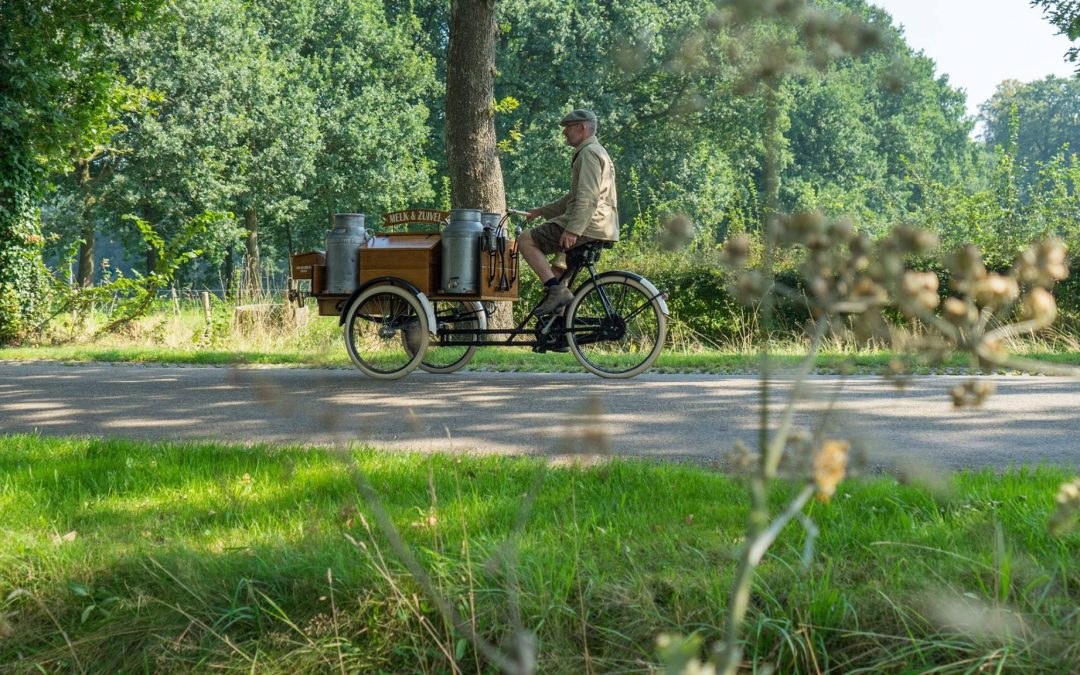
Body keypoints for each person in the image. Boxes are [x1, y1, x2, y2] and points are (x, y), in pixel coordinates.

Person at [519, 109, 619, 316]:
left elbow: (588, 198)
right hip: (602, 225)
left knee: (525, 240)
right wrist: (541, 211)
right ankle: (559, 331)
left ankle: (556, 292)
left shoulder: (588, 153)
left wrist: (572, 230)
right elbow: (574, 196)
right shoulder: (598, 151)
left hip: (589, 224)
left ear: (581, 128)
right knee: (558, 274)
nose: (564, 132)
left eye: (568, 127)